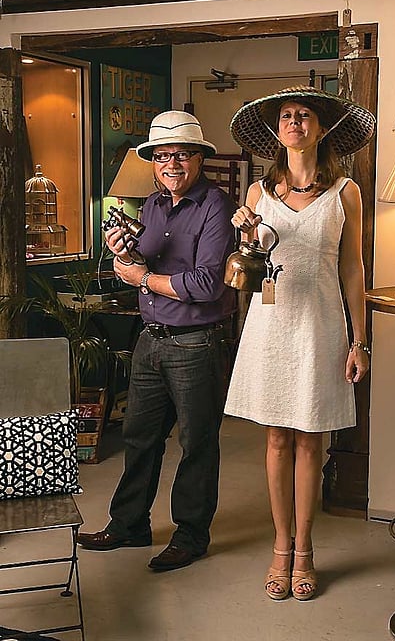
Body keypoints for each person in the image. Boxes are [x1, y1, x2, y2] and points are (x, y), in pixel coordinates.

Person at [224, 86, 375, 600]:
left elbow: (353, 269)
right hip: (270, 325)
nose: (294, 122)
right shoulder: (258, 193)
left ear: (321, 128)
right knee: (276, 439)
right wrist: (246, 235)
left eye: (304, 115)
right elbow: (247, 268)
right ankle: (280, 549)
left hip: (321, 326)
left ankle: (306, 551)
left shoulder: (345, 192)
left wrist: (360, 340)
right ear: (277, 130)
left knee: (312, 439)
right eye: (286, 116)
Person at [78, 110, 237, 572]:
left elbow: (207, 285)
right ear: (153, 162)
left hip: (196, 342)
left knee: (197, 443)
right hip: (150, 338)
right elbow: (140, 263)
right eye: (163, 156)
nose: (172, 164)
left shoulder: (217, 206)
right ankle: (129, 525)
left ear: (199, 158)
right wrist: (122, 252)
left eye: (182, 155)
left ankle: (191, 536)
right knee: (139, 438)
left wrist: (143, 278)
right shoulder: (151, 205)